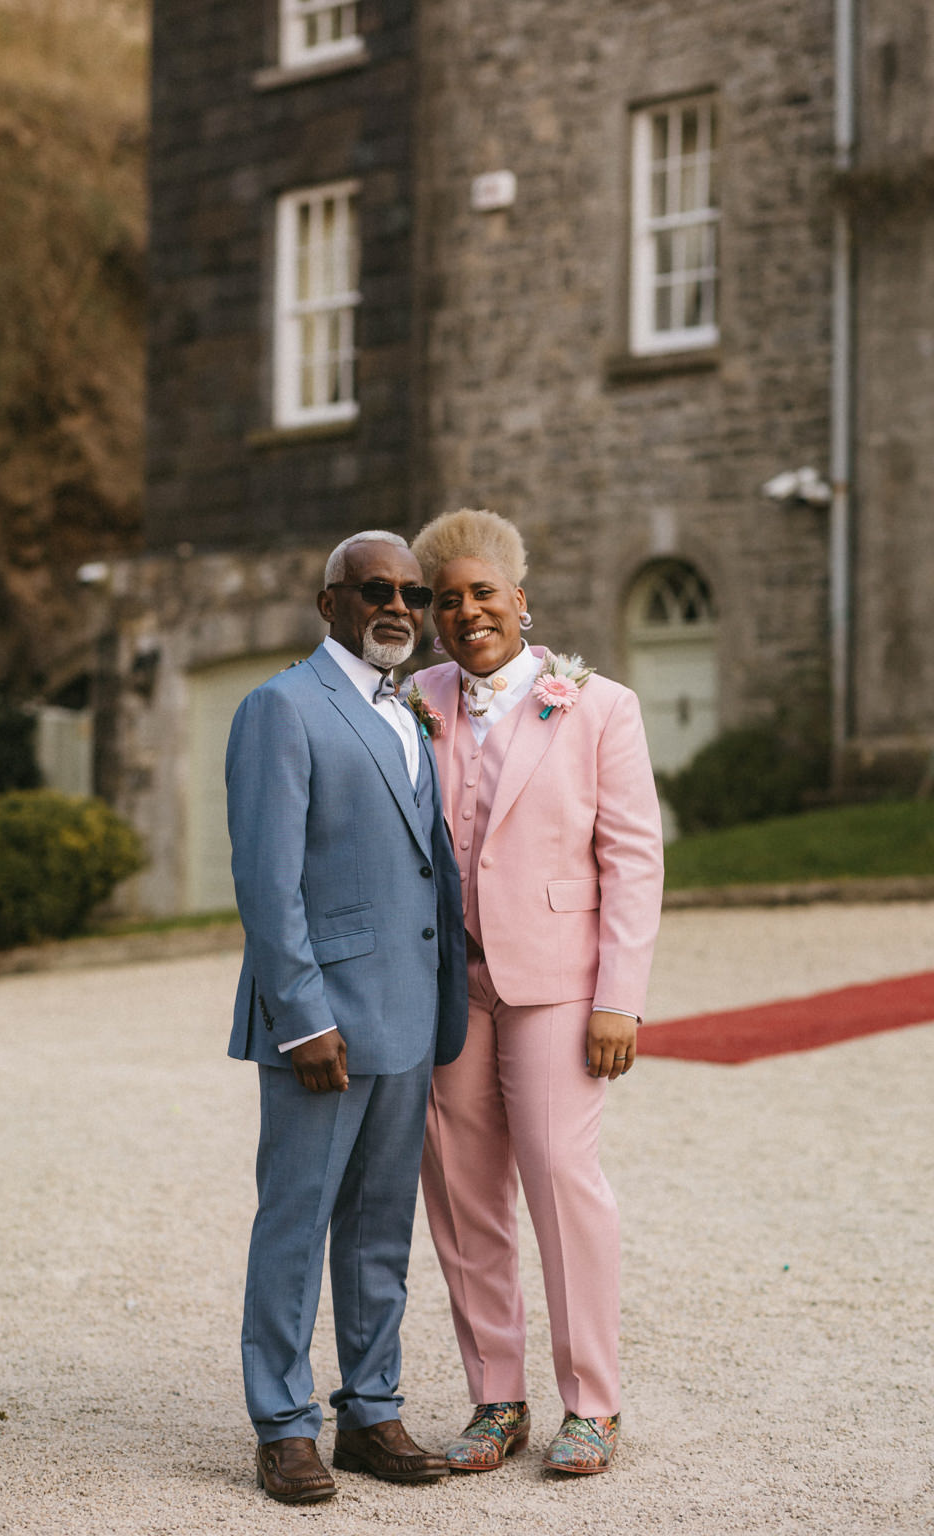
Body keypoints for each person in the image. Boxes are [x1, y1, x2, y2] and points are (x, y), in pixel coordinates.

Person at [408, 508, 664, 1477]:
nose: (467, 611)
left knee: (561, 1177)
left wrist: (618, 998)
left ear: (520, 599)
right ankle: (494, 1399)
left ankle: (590, 1403)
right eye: (447, 599)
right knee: (463, 1194)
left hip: (558, 982)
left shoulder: (598, 704)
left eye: (482, 593)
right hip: (446, 986)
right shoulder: (414, 700)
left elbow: (633, 860)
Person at [225, 530, 468, 1505]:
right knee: (295, 1221)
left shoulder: (408, 711)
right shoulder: (281, 707)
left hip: (410, 1014)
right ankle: (283, 1425)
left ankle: (371, 1408)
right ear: (329, 603)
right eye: (375, 588)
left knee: (380, 1227)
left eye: (412, 591)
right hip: (320, 1022)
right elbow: (266, 878)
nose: (397, 605)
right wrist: (300, 1017)